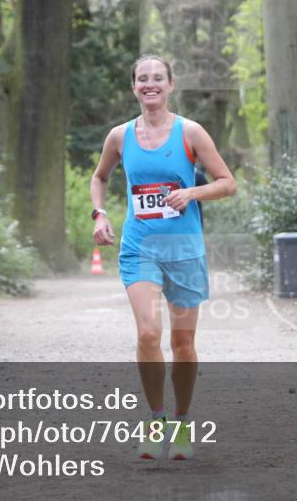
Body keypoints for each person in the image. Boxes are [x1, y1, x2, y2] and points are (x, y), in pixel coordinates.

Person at [91, 55, 237, 460]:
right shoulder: (120, 136)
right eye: (142, 78)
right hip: (140, 247)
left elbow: (228, 183)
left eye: (158, 78)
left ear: (170, 85)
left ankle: (183, 422)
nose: (150, 84)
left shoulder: (190, 132)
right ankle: (155, 421)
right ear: (134, 87)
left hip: (184, 250)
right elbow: (100, 177)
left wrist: (192, 192)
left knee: (183, 342)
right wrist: (99, 213)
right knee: (148, 333)